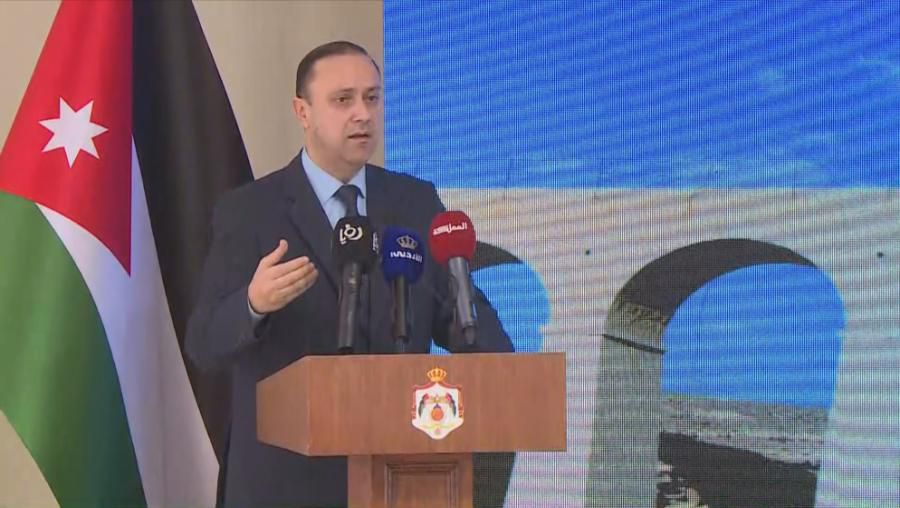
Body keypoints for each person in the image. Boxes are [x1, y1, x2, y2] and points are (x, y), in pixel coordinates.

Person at [185, 41, 513, 508]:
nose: (363, 114)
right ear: (302, 112)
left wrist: (503, 373)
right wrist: (253, 304)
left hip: (399, 481)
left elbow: (465, 324)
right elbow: (204, 344)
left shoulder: (414, 202)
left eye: (372, 98)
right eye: (343, 100)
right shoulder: (250, 211)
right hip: (282, 487)